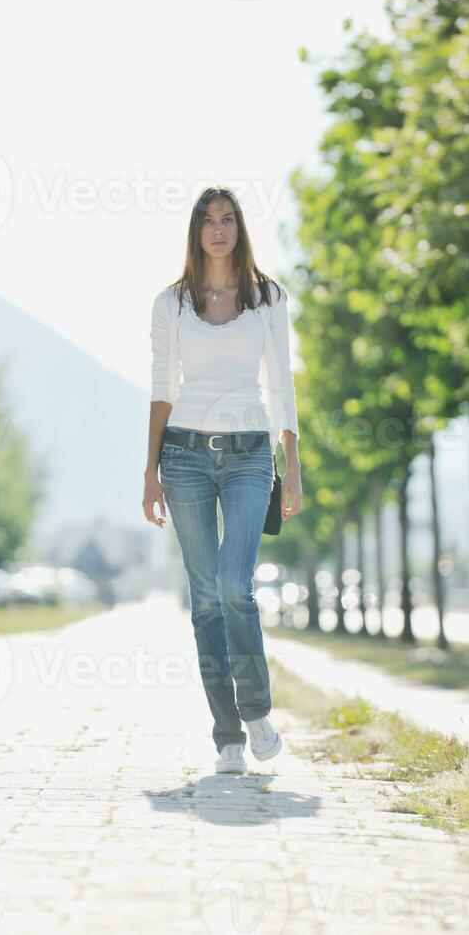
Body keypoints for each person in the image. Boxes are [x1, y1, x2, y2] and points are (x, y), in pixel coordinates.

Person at [142, 185, 303, 775]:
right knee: (205, 598)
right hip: (182, 457)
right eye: (208, 220)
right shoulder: (172, 303)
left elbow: (281, 380)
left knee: (236, 587)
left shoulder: (267, 299)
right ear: (196, 230)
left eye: (228, 219)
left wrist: (293, 464)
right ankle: (228, 736)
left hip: (249, 456)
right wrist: (149, 471)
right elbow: (162, 388)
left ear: (240, 228)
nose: (218, 229)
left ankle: (256, 710)